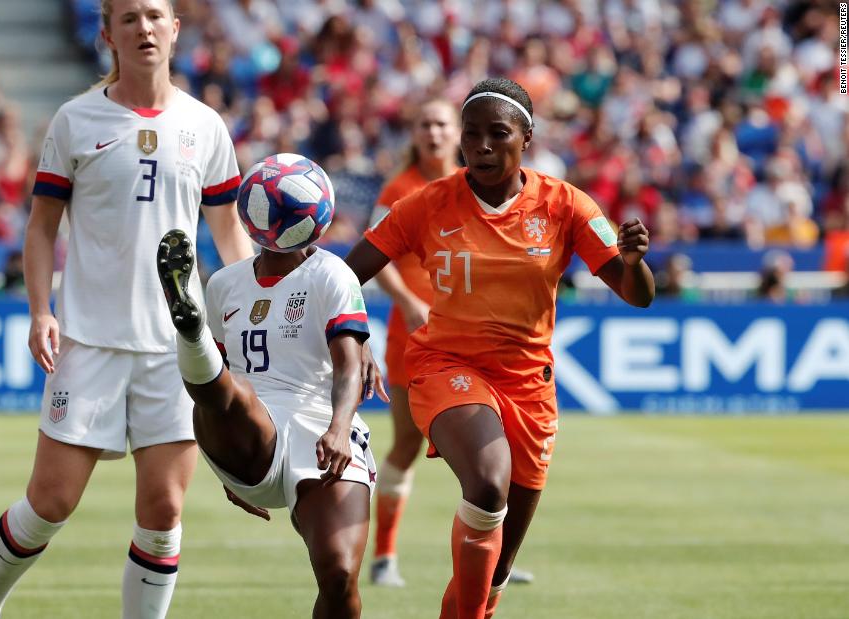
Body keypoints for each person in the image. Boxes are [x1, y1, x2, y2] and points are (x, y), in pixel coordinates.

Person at [0, 1, 252, 618]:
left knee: (163, 512)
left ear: (174, 29)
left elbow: (229, 237)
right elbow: (41, 229)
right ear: (107, 34)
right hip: (89, 342)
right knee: (50, 504)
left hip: (177, 351)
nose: (143, 28)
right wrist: (41, 310)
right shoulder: (75, 120)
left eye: (154, 16)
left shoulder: (206, 126)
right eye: (128, 19)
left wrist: (250, 312)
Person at [345, 77, 654, 619]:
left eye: (497, 134)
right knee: (488, 484)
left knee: (497, 567)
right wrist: (353, 337)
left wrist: (632, 263)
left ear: (526, 138)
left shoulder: (566, 205)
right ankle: (392, 558)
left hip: (529, 383)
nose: (482, 146)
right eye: (472, 136)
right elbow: (350, 273)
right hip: (446, 365)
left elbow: (637, 296)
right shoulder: (424, 202)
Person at [155, 218, 376, 619]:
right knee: (233, 390)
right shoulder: (224, 283)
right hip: (251, 423)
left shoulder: (332, 273)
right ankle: (190, 330)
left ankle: (192, 334)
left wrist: (340, 429)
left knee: (339, 574)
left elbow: (349, 367)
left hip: (320, 426)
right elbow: (214, 390)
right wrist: (226, 459)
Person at [368, 96, 535, 589]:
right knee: (406, 444)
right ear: (416, 134)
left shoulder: (486, 187)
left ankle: (494, 560)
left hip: (484, 342)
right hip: (419, 337)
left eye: (442, 124)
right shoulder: (401, 189)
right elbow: (376, 256)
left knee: (499, 454)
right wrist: (406, 301)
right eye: (426, 125)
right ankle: (384, 557)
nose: (434, 133)